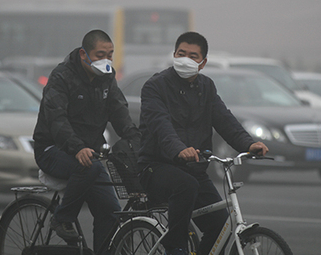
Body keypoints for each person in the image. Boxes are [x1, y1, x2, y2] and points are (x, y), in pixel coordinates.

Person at [137, 31, 269, 255]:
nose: (186, 60)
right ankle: (175, 248)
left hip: (194, 169)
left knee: (220, 226)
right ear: (174, 55)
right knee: (185, 185)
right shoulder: (155, 86)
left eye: (193, 56)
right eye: (181, 54)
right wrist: (179, 149)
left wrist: (248, 144)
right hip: (156, 166)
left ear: (203, 62)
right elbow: (161, 126)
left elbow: (225, 120)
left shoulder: (206, 87)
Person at [32, 29, 140, 254]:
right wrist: (77, 147)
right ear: (84, 54)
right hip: (53, 149)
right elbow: (57, 120)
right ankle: (62, 218)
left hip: (88, 155)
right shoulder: (62, 77)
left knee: (111, 212)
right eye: (100, 55)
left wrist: (135, 139)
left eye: (110, 55)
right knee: (88, 167)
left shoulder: (107, 77)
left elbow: (119, 111)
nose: (106, 60)